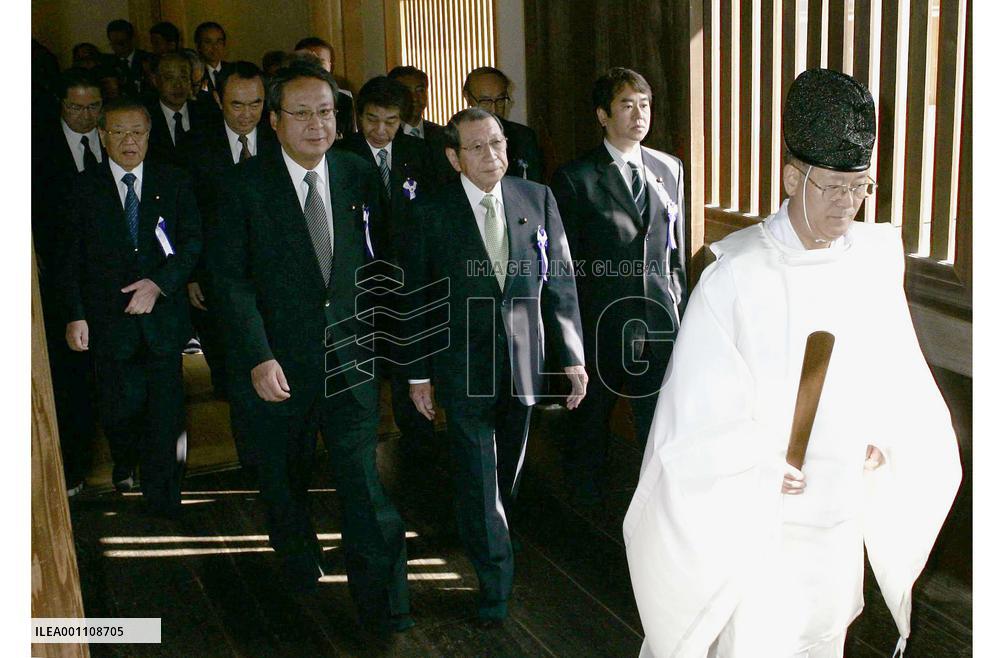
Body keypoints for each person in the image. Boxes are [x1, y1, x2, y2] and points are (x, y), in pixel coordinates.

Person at [623, 68, 961, 657]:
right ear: (790, 176)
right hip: (763, 517)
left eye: (859, 186)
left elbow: (896, 372)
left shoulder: (874, 260)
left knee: (825, 637)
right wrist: (758, 461)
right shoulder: (736, 274)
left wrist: (885, 434)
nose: (847, 203)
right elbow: (691, 420)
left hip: (839, 514)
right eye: (831, 186)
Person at [207, 60, 412, 633]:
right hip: (278, 365)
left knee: (364, 485)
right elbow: (230, 280)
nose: (317, 125)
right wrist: (257, 354)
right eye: (302, 114)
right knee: (284, 477)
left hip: (351, 361)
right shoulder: (243, 185)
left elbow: (377, 260)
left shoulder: (355, 174)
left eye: (326, 112)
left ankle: (386, 601)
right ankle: (298, 566)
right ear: (274, 121)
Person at [401, 108, 588, 624]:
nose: (492, 156)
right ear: (454, 157)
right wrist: (418, 373)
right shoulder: (430, 213)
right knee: (481, 474)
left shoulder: (537, 198)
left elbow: (561, 284)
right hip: (462, 366)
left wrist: (572, 355)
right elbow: (415, 298)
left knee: (504, 473)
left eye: (499, 144)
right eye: (477, 148)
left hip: (525, 362)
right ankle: (495, 582)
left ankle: (485, 533)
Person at [58, 97, 202, 517]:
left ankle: (165, 496)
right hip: (109, 321)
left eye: (137, 132)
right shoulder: (83, 188)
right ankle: (126, 458)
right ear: (102, 136)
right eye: (118, 132)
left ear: (149, 135)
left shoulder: (174, 181)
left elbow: (192, 242)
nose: (129, 141)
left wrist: (160, 284)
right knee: (122, 408)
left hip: (163, 318)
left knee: (167, 412)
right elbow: (68, 259)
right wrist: (75, 314)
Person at [551, 68, 687, 505]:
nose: (639, 114)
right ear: (603, 115)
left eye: (645, 104)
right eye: (627, 105)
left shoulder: (670, 168)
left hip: (658, 318)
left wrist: (679, 308)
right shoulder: (576, 177)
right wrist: (571, 337)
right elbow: (564, 266)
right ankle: (583, 509)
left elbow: (675, 252)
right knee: (591, 422)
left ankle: (655, 505)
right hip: (602, 319)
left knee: (659, 420)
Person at [334, 75, 436, 456]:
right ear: (358, 116)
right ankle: (360, 448)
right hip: (358, 285)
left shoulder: (421, 154)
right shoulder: (340, 156)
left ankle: (419, 450)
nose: (380, 130)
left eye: (390, 121)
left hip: (408, 284)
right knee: (362, 374)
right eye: (372, 119)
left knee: (411, 368)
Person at [181, 62, 276, 402]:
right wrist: (191, 274)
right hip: (216, 272)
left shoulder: (280, 138)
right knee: (227, 364)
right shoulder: (195, 146)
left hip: (273, 271)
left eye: (256, 103)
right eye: (237, 104)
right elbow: (187, 215)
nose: (247, 114)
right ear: (219, 100)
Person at [32, 68, 105, 497]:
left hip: (110, 277)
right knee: (70, 375)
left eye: (94, 106)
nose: (86, 116)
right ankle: (73, 466)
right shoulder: (37, 147)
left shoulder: (113, 138)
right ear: (61, 105)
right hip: (58, 275)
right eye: (77, 107)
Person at [463, 67, 543, 182]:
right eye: (485, 101)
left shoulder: (523, 137)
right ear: (468, 98)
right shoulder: (453, 138)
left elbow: (535, 187)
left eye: (500, 100)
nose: (494, 109)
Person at [146, 52, 213, 166]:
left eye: (183, 77)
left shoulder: (207, 114)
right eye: (169, 78)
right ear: (155, 80)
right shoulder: (145, 118)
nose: (178, 85)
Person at [294, 37, 356, 138]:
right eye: (307, 61)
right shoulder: (284, 98)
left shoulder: (344, 99)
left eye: (320, 62)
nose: (314, 67)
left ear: (331, 66)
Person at [106, 19, 151, 97]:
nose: (117, 47)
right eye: (113, 43)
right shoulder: (107, 64)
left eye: (121, 43)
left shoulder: (147, 59)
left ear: (132, 40)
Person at [195, 21, 232, 94]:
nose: (215, 47)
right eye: (208, 42)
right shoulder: (195, 73)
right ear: (199, 46)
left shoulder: (233, 71)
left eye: (219, 42)